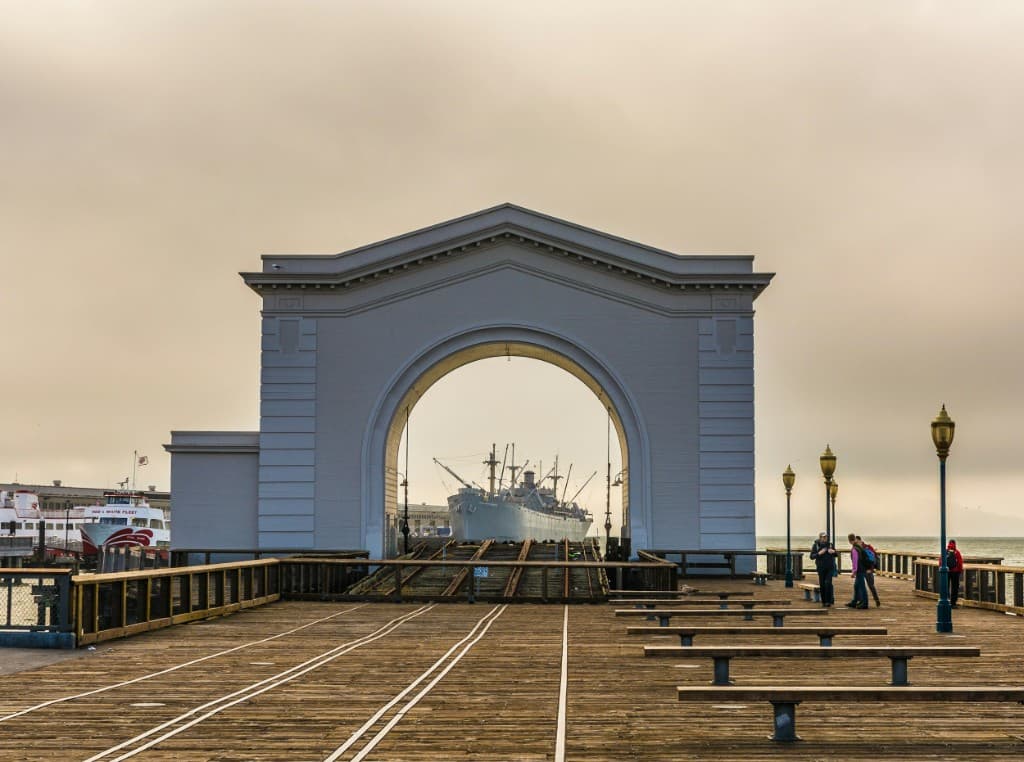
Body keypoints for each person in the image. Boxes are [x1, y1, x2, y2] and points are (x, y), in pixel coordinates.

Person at [809, 531, 837, 607]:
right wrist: (819, 553)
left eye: (826, 537)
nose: (825, 538)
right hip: (821, 568)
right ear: (820, 538)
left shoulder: (830, 545)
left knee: (828, 583)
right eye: (823, 537)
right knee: (822, 584)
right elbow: (811, 556)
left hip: (830, 568)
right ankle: (824, 601)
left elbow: (836, 554)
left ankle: (828, 601)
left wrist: (833, 552)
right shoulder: (816, 545)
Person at [854, 534, 882, 607]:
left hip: (867, 570)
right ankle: (860, 601)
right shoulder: (857, 548)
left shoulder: (867, 547)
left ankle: (877, 600)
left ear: (860, 540)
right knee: (858, 585)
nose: (856, 543)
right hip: (860, 570)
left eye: (857, 541)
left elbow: (873, 559)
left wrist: (871, 569)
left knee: (871, 585)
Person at [846, 534, 869, 609]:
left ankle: (865, 603)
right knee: (856, 586)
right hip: (862, 568)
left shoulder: (855, 549)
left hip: (859, 570)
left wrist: (854, 572)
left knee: (862, 586)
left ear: (849, 540)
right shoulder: (859, 546)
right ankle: (854, 601)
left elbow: (855, 561)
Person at [947, 539, 965, 607]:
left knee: (946, 587)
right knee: (955, 587)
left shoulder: (945, 552)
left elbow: (941, 561)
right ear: (955, 544)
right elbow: (960, 562)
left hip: (947, 572)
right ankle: (953, 603)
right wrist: (960, 570)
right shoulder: (957, 552)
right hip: (955, 572)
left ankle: (947, 601)